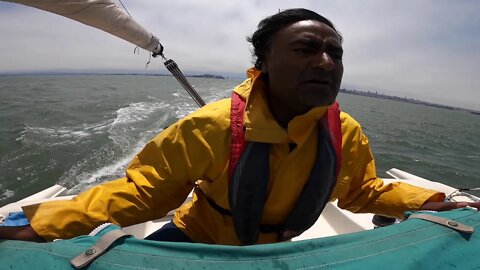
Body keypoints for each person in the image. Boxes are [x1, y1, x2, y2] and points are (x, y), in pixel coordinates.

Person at [1, 8, 478, 245]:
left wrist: (440, 200)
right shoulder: (210, 127)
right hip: (199, 239)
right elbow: (142, 195)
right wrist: (42, 222)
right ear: (264, 62)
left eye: (335, 53)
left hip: (279, 250)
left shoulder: (344, 131)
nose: (326, 62)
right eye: (307, 48)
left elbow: (363, 192)